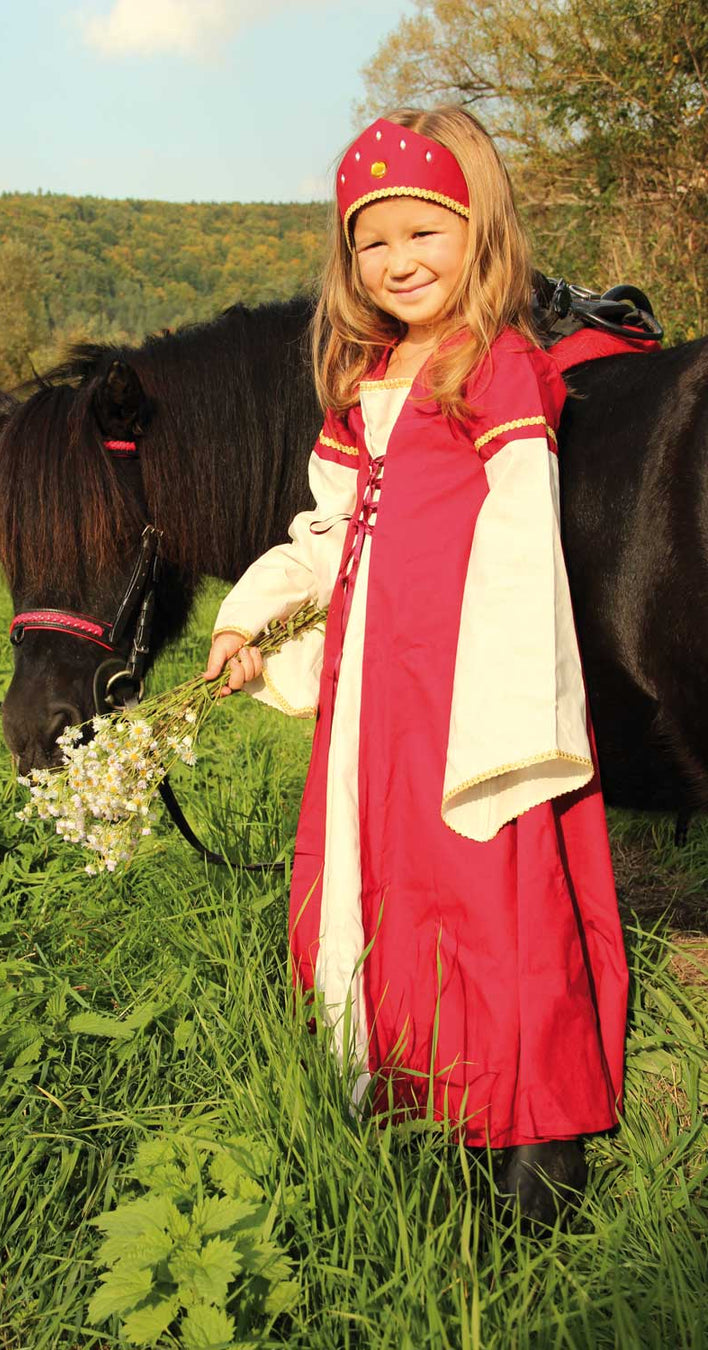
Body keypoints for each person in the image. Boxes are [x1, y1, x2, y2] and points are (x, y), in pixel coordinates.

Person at [203, 107, 628, 1225]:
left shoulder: (493, 368)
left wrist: (502, 707)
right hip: (371, 705)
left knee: (495, 895)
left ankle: (535, 1137)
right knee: (385, 888)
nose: (397, 262)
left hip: (464, 688)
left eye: (422, 233)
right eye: (372, 242)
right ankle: (409, 1087)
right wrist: (252, 622)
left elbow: (523, 533)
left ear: (476, 231)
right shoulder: (365, 384)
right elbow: (328, 531)